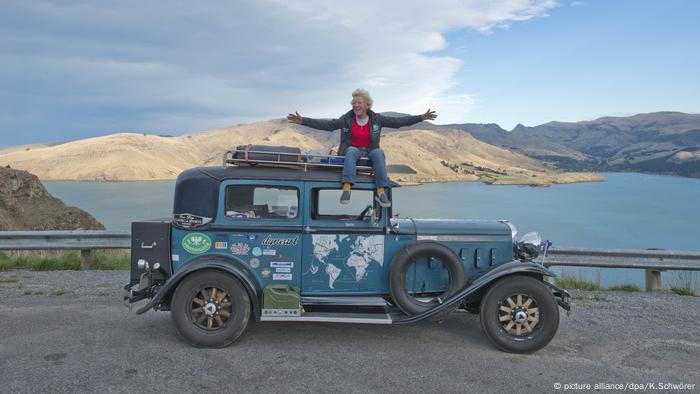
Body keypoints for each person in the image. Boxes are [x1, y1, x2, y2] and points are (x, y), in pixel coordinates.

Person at [287, 88, 437, 207]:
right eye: (353, 103)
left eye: (359, 103)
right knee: (351, 150)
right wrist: (303, 121)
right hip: (354, 154)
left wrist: (420, 117)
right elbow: (329, 125)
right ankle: (346, 188)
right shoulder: (346, 119)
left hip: (370, 153)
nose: (355, 106)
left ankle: (380, 191)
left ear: (367, 105)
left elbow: (398, 122)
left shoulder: (377, 119)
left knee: (379, 153)